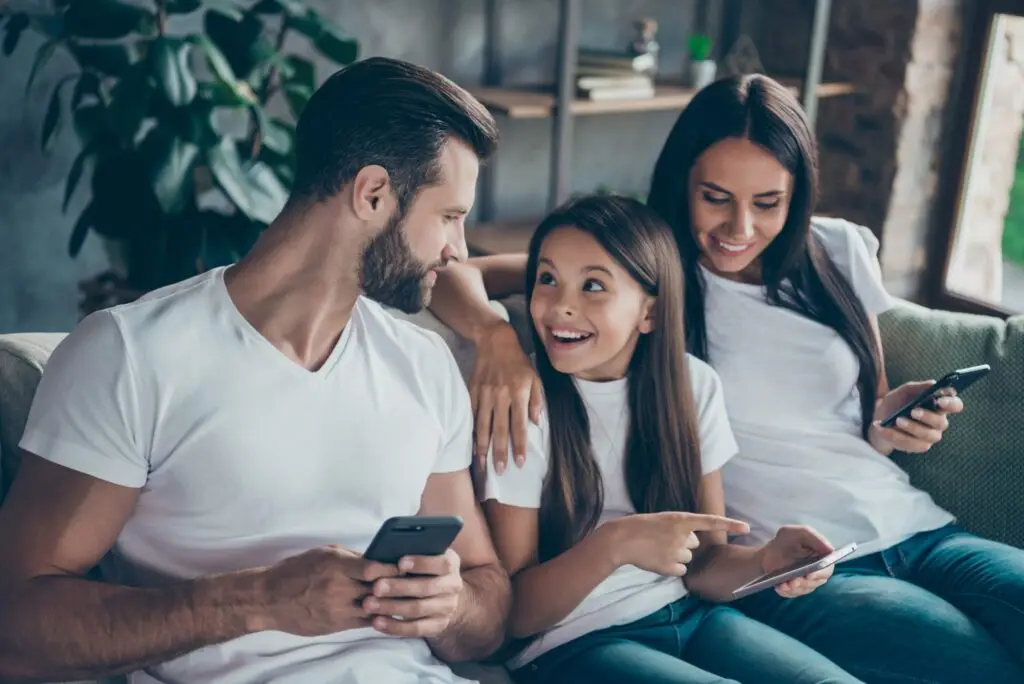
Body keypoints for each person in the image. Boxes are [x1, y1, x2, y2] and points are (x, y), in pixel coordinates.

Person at [428, 74, 1024, 683]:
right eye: (715, 197)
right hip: (776, 578)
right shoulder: (646, 268)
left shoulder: (827, 258)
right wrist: (495, 338)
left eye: (768, 203)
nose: (739, 227)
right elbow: (457, 269)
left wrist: (891, 415)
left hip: (905, 521)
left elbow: (865, 409)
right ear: (684, 185)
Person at [0, 57, 511, 684]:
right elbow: (18, 629)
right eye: (450, 217)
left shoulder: (423, 364)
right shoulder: (130, 356)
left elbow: (489, 607)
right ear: (372, 193)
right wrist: (260, 600)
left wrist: (452, 604)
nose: (459, 251)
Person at [479, 193, 862, 684]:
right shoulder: (524, 404)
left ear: (650, 314)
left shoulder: (693, 387)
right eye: (547, 279)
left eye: (593, 286)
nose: (560, 307)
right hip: (572, 642)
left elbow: (707, 562)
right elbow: (512, 615)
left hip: (689, 614)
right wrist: (613, 544)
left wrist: (768, 561)